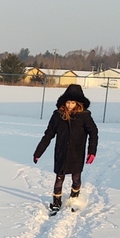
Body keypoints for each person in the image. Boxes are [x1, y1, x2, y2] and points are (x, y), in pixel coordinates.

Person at [32, 83, 98, 213]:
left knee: (76, 178)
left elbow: (93, 133)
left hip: (77, 153)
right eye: (68, 102)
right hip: (61, 152)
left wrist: (92, 151)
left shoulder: (84, 116)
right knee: (59, 179)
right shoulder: (58, 116)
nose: (69, 105)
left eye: (73, 103)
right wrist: (38, 152)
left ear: (78, 103)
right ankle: (56, 203)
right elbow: (48, 134)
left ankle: (74, 199)